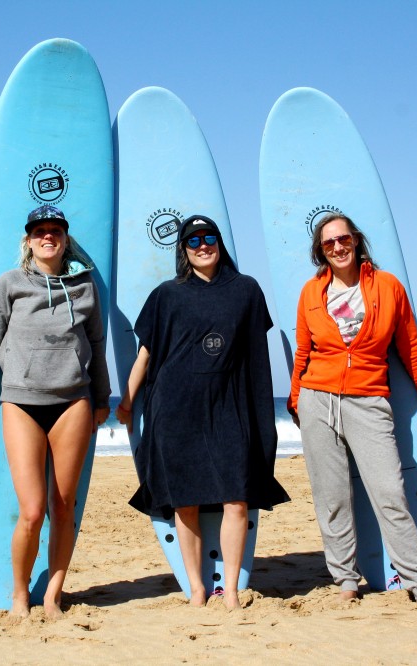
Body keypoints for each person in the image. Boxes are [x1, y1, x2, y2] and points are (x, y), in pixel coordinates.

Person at [116, 215, 289, 610]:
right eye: (193, 241)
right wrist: (126, 401)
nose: (202, 245)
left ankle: (229, 589)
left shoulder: (246, 290)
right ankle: (196, 588)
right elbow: (147, 352)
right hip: (176, 409)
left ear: (220, 242)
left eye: (209, 237)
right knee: (185, 502)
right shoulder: (167, 295)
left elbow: (256, 359)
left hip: (229, 406)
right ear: (184, 249)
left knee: (236, 499)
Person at [289, 212, 417, 612]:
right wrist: (296, 398)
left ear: (356, 241)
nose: (337, 248)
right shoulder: (312, 292)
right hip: (317, 399)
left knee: (389, 493)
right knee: (332, 498)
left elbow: (410, 347)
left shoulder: (387, 287)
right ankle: (345, 580)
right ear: (320, 252)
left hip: (368, 399)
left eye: (343, 239)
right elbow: (303, 352)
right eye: (328, 244)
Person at [0, 204, 110, 619]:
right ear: (28, 240)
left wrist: (102, 399)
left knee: (64, 506)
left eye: (55, 230)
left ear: (65, 238)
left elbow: (97, 345)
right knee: (32, 510)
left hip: (73, 401)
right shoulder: (8, 284)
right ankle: (21, 594)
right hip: (21, 401)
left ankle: (53, 595)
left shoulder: (85, 286)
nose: (48, 236)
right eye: (39, 231)